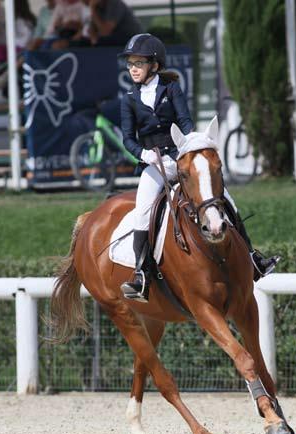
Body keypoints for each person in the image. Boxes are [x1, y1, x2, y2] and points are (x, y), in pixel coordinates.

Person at [119, 33, 279, 302]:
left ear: (154, 65)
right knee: (143, 211)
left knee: (224, 198)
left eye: (138, 62)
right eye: (130, 63)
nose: (133, 68)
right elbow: (127, 138)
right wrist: (143, 154)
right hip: (154, 163)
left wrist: (191, 147)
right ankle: (141, 274)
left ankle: (252, 258)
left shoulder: (171, 89)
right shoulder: (129, 98)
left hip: (181, 156)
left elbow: (184, 121)